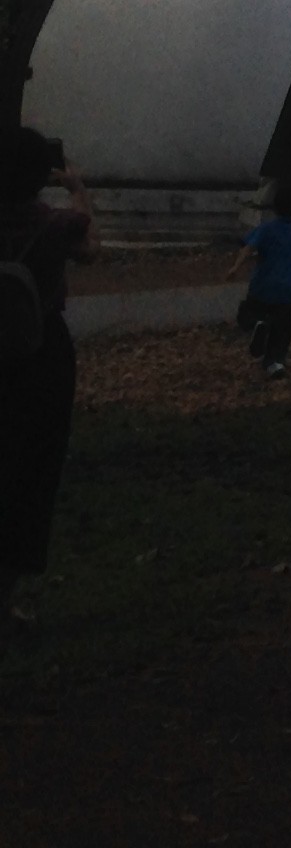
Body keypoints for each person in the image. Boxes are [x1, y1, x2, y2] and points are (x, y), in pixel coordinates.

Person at [0, 127, 99, 626]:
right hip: (41, 354)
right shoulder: (53, 224)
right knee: (30, 471)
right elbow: (89, 248)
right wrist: (78, 190)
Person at [237, 185, 291, 377]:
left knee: (246, 313)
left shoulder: (266, 229)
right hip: (288, 289)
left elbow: (248, 247)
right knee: (283, 328)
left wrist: (234, 268)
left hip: (263, 286)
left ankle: (256, 324)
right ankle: (275, 362)